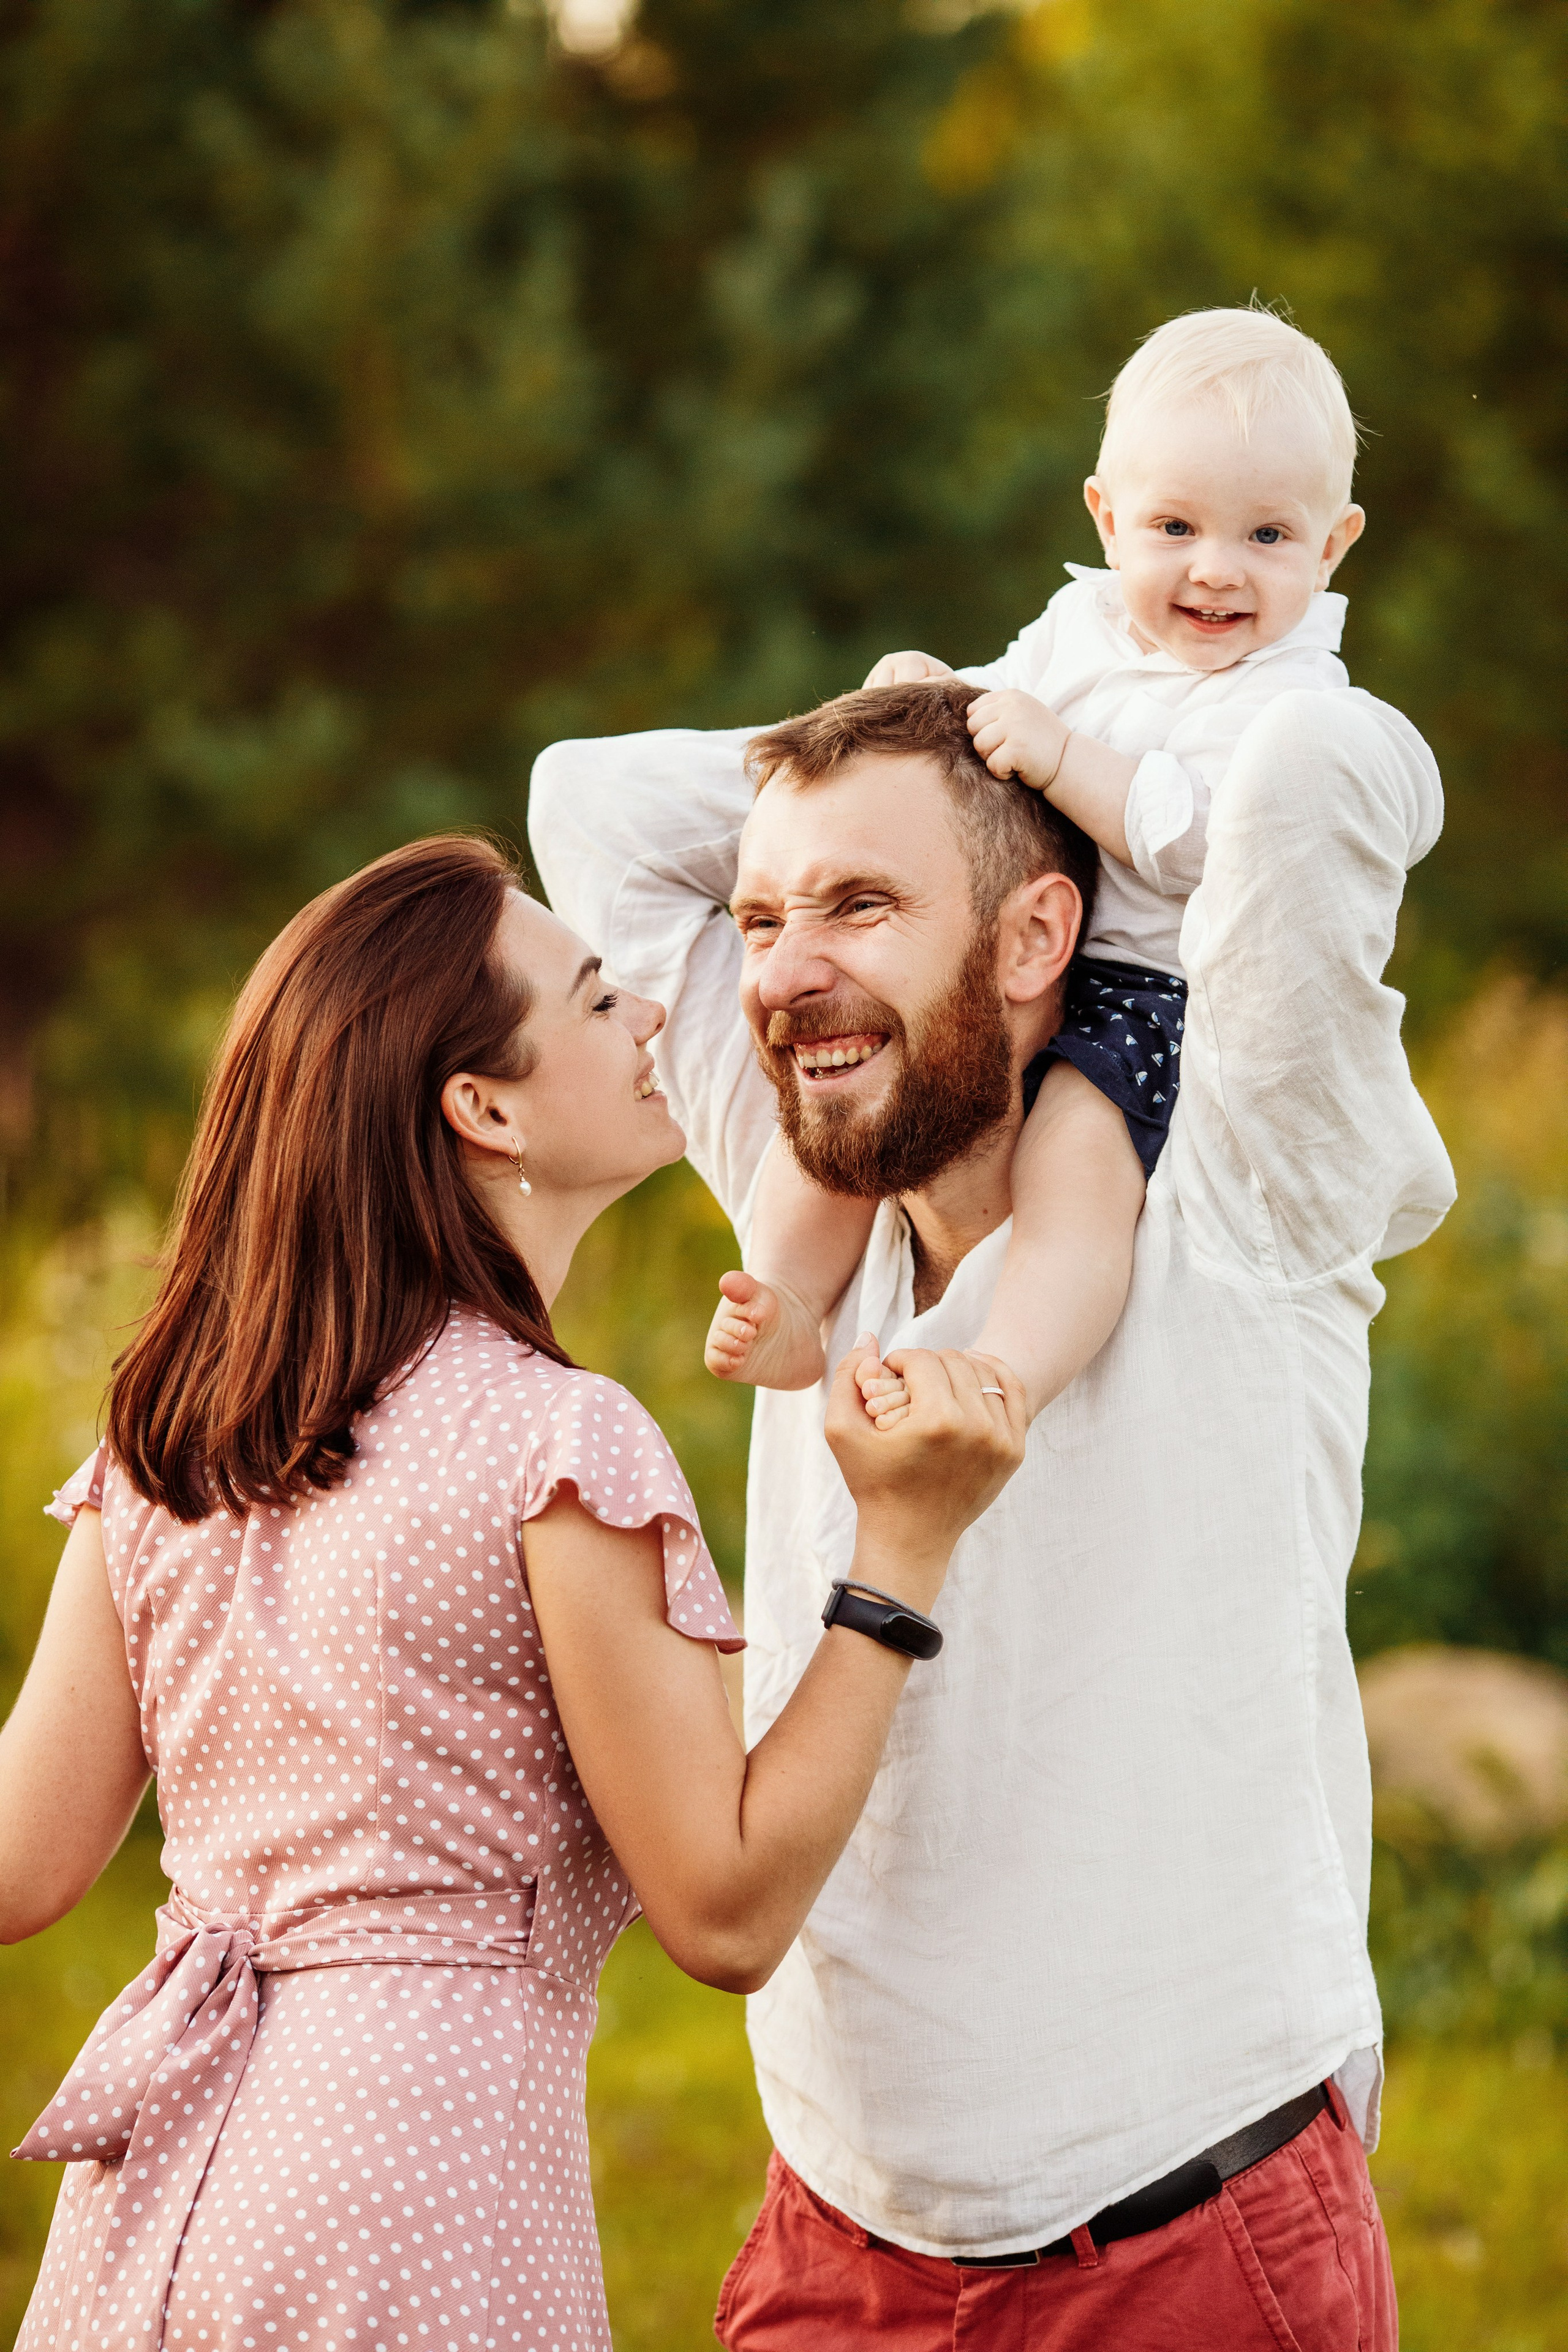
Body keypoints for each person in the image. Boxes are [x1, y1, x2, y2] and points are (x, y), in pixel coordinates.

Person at [0, 834, 1025, 2352]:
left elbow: (18, 1867)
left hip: (158, 2195)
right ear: (482, 1108)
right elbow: (723, 1911)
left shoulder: (170, 1438)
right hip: (408, 2201)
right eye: (601, 1001)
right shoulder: (557, 1443)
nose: (655, 1017)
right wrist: (900, 1550)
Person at [529, 676, 1455, 2347]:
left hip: (1185, 2229)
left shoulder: (1244, 1177)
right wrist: (932, 727)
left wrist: (1062, 742)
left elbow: (1320, 769)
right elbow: (583, 796)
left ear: (1038, 938)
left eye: (859, 906)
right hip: (833, 2238)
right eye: (760, 917)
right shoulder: (809, 1189)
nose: (782, 974)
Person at [706, 307, 1365, 1429]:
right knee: (844, 1105)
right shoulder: (1082, 622)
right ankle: (790, 1297)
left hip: (1151, 992)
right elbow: (991, 705)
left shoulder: (1291, 700)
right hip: (1024, 957)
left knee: (1076, 1166)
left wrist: (1060, 756)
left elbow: (1203, 843)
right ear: (1107, 519)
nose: (1216, 571)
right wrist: (926, 697)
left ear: (1333, 545)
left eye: (1267, 536)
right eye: (1174, 527)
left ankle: (1008, 1369)